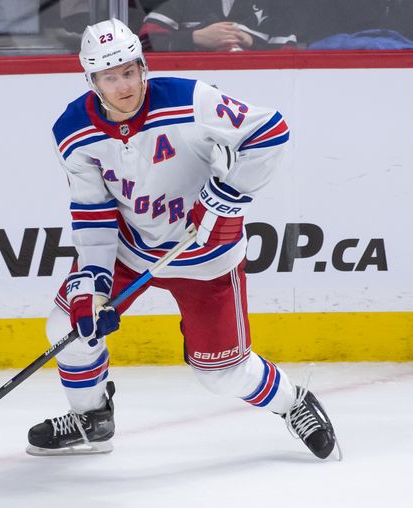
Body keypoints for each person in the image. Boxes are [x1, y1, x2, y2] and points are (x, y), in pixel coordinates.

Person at [26, 18, 340, 461]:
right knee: (69, 326)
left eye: (130, 71)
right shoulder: (73, 130)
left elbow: (270, 132)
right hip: (131, 252)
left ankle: (294, 403)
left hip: (207, 251)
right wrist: (94, 284)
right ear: (91, 79)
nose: (123, 86)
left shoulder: (190, 98)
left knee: (221, 373)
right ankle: (91, 419)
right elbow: (93, 212)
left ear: (142, 65)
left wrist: (223, 197)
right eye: (110, 76)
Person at [138, 0, 298, 52]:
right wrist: (195, 38)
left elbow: (290, 66)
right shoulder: (182, 3)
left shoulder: (277, 9)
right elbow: (143, 45)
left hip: (254, 99)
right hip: (191, 98)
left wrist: (251, 45)